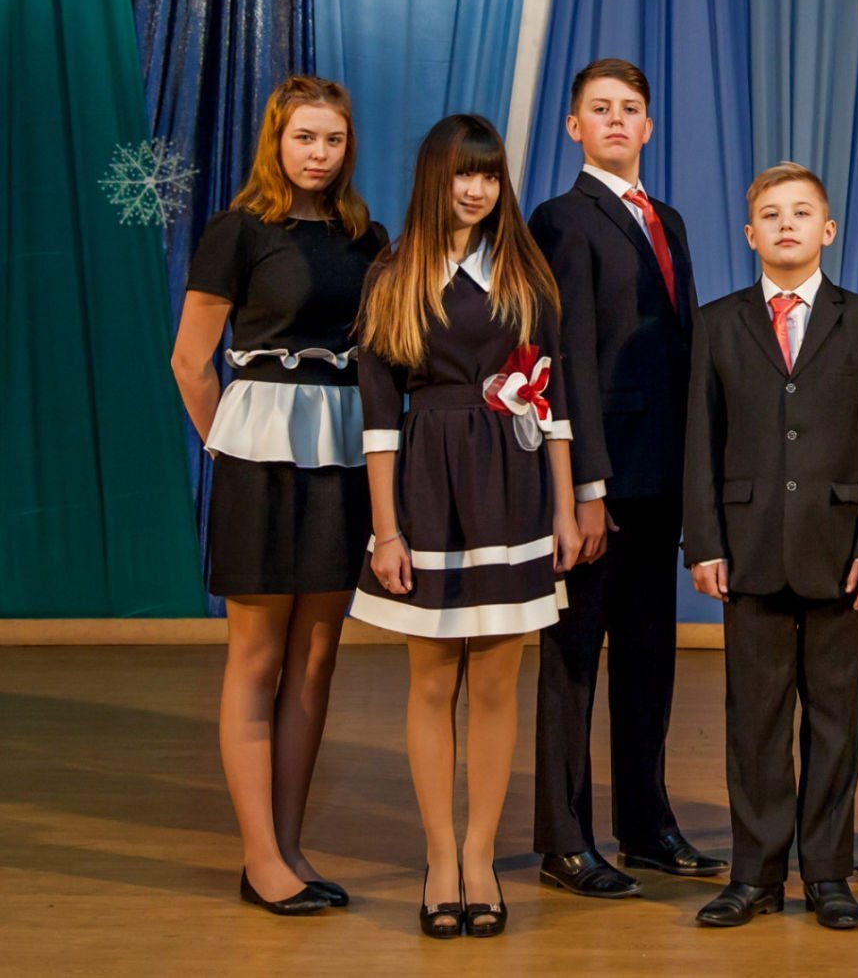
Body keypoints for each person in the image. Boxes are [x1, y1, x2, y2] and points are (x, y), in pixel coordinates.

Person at [352, 114, 581, 939]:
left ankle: (481, 856)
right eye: (461, 174)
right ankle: (439, 856)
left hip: (515, 488)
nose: (476, 188)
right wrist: (386, 530)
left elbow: (551, 401)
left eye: (488, 174)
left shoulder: (525, 272)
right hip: (428, 488)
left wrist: (565, 507)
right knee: (431, 680)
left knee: (494, 683)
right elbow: (379, 419)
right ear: (433, 179)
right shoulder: (392, 275)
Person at [171, 75, 385, 915]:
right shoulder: (238, 230)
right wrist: (228, 444)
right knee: (257, 658)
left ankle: (291, 847)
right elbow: (191, 362)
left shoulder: (367, 237)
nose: (319, 153)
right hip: (258, 455)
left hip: (340, 453)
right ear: (276, 140)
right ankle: (260, 857)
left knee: (318, 655)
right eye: (304, 137)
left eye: (333, 139)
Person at [683, 162, 858, 930]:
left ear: (827, 229)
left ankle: (829, 873)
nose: (786, 224)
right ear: (750, 234)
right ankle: (755, 874)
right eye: (771, 214)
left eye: (801, 212)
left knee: (835, 720)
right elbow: (700, 440)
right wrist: (704, 540)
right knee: (755, 720)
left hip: (841, 552)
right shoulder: (717, 322)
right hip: (747, 550)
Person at [528, 59, 722, 898]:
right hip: (599, 481)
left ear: (648, 125)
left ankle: (646, 824)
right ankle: (564, 838)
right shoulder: (561, 218)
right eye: (599, 108)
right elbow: (566, 355)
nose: (616, 119)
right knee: (574, 659)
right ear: (575, 127)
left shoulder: (665, 218)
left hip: (661, 473)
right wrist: (586, 486)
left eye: (630, 108)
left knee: (649, 655)